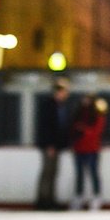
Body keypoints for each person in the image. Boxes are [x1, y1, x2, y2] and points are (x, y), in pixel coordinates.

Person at [35, 77, 72, 210]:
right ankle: (43, 201)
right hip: (49, 146)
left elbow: (62, 127)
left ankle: (50, 200)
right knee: (47, 172)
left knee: (53, 172)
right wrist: (49, 144)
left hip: (57, 146)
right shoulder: (48, 105)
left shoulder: (61, 106)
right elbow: (45, 126)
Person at [69, 95, 107, 211]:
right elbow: (73, 129)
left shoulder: (97, 116)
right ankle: (78, 197)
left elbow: (96, 131)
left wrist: (83, 130)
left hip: (92, 149)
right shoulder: (77, 115)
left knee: (93, 173)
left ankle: (96, 197)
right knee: (79, 175)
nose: (85, 102)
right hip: (79, 149)